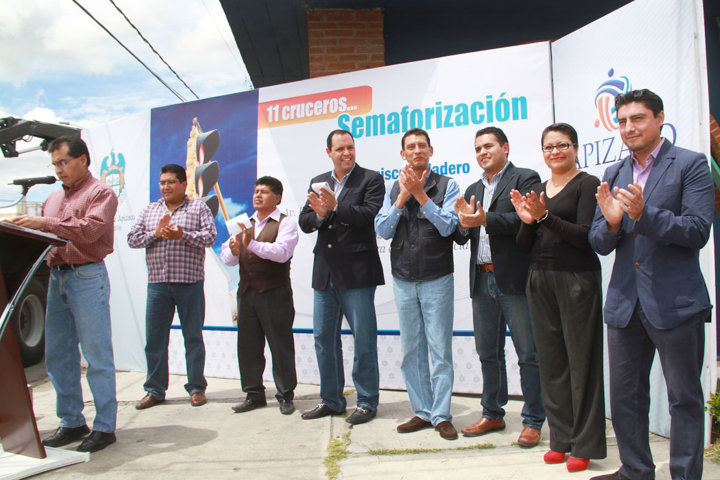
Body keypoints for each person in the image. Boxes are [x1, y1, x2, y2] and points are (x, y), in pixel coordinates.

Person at [589, 89, 714, 480]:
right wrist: (613, 223)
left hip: (675, 302)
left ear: (659, 119)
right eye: (623, 121)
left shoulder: (691, 164)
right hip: (625, 304)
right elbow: (598, 241)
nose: (629, 127)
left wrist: (646, 215)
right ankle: (635, 470)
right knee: (625, 398)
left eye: (638, 118)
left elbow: (697, 230)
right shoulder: (614, 174)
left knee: (684, 399)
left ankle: (685, 475)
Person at [11, 135, 119, 453]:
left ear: (82, 159)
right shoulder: (52, 199)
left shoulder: (101, 193)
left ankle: (105, 427)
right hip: (57, 278)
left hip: (87, 276)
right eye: (54, 164)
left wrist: (45, 223)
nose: (59, 169)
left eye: (63, 162)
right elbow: (45, 235)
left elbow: (90, 231)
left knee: (97, 356)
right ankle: (71, 421)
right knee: (58, 356)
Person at [510, 123, 606, 472]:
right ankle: (561, 439)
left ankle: (585, 443)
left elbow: (585, 237)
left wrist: (545, 217)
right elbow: (524, 245)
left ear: (575, 148)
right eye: (549, 147)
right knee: (551, 363)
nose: (555, 152)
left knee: (582, 362)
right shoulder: (537, 189)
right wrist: (528, 221)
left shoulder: (587, 184)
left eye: (562, 145)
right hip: (540, 279)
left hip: (577, 278)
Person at [454, 127, 545, 447]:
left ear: (505, 147)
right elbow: (464, 234)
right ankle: (492, 413)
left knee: (528, 354)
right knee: (488, 353)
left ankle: (533, 420)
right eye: (478, 148)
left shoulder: (525, 178)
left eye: (488, 146)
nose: (482, 152)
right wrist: (462, 222)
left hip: (514, 279)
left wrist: (485, 219)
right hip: (481, 279)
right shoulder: (473, 187)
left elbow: (527, 220)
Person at [375, 128, 460, 440]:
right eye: (410, 147)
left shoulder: (447, 185)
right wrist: (402, 196)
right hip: (403, 279)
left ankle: (441, 414)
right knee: (412, 350)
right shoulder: (391, 188)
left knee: (440, 350)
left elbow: (449, 226)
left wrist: (421, 195)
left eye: (422, 146)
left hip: (437, 277)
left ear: (430, 151)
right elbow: (383, 229)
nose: (416, 151)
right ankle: (423, 411)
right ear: (403, 154)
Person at [298, 129, 385, 425]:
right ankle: (332, 400)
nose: (346, 153)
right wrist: (321, 215)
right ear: (329, 152)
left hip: (357, 272)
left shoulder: (370, 179)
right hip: (325, 272)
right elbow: (305, 221)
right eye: (340, 149)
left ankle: (367, 401)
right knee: (323, 338)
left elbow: (368, 215)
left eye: (350, 147)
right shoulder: (318, 181)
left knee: (364, 339)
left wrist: (335, 207)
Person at [127, 163, 216, 410]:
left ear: (183, 184)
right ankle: (155, 390)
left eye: (170, 182)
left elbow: (210, 237)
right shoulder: (150, 210)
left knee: (193, 338)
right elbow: (132, 239)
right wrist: (155, 233)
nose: (165, 187)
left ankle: (196, 388)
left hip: (190, 284)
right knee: (155, 340)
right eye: (162, 182)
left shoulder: (198, 208)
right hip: (157, 285)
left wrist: (182, 235)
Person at [220, 176, 299, 415]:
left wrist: (251, 244)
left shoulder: (286, 223)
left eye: (264, 192)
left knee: (280, 346)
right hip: (247, 293)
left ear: (277, 198)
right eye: (256, 191)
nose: (257, 195)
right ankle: (253, 394)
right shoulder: (242, 223)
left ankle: (285, 395)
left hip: (275, 292)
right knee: (248, 346)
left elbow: (282, 253)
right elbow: (228, 259)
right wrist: (234, 251)